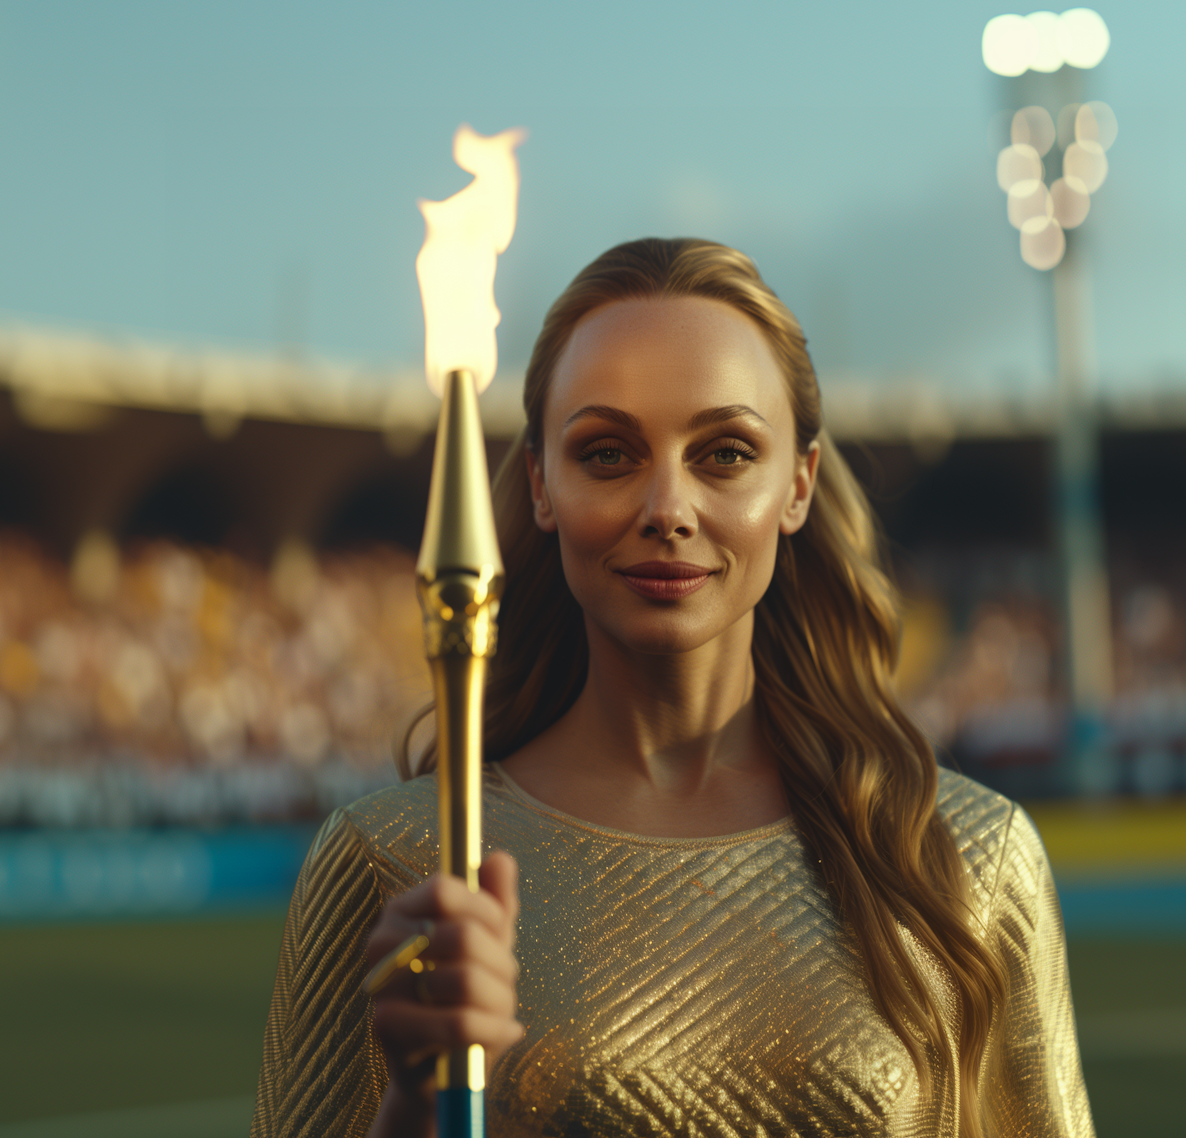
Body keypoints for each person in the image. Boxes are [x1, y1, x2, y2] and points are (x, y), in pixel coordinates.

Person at [251, 238, 1094, 1138]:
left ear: (799, 484)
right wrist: (416, 1106)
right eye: (608, 454)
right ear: (540, 483)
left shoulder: (966, 861)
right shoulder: (394, 860)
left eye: (726, 453)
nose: (668, 508)